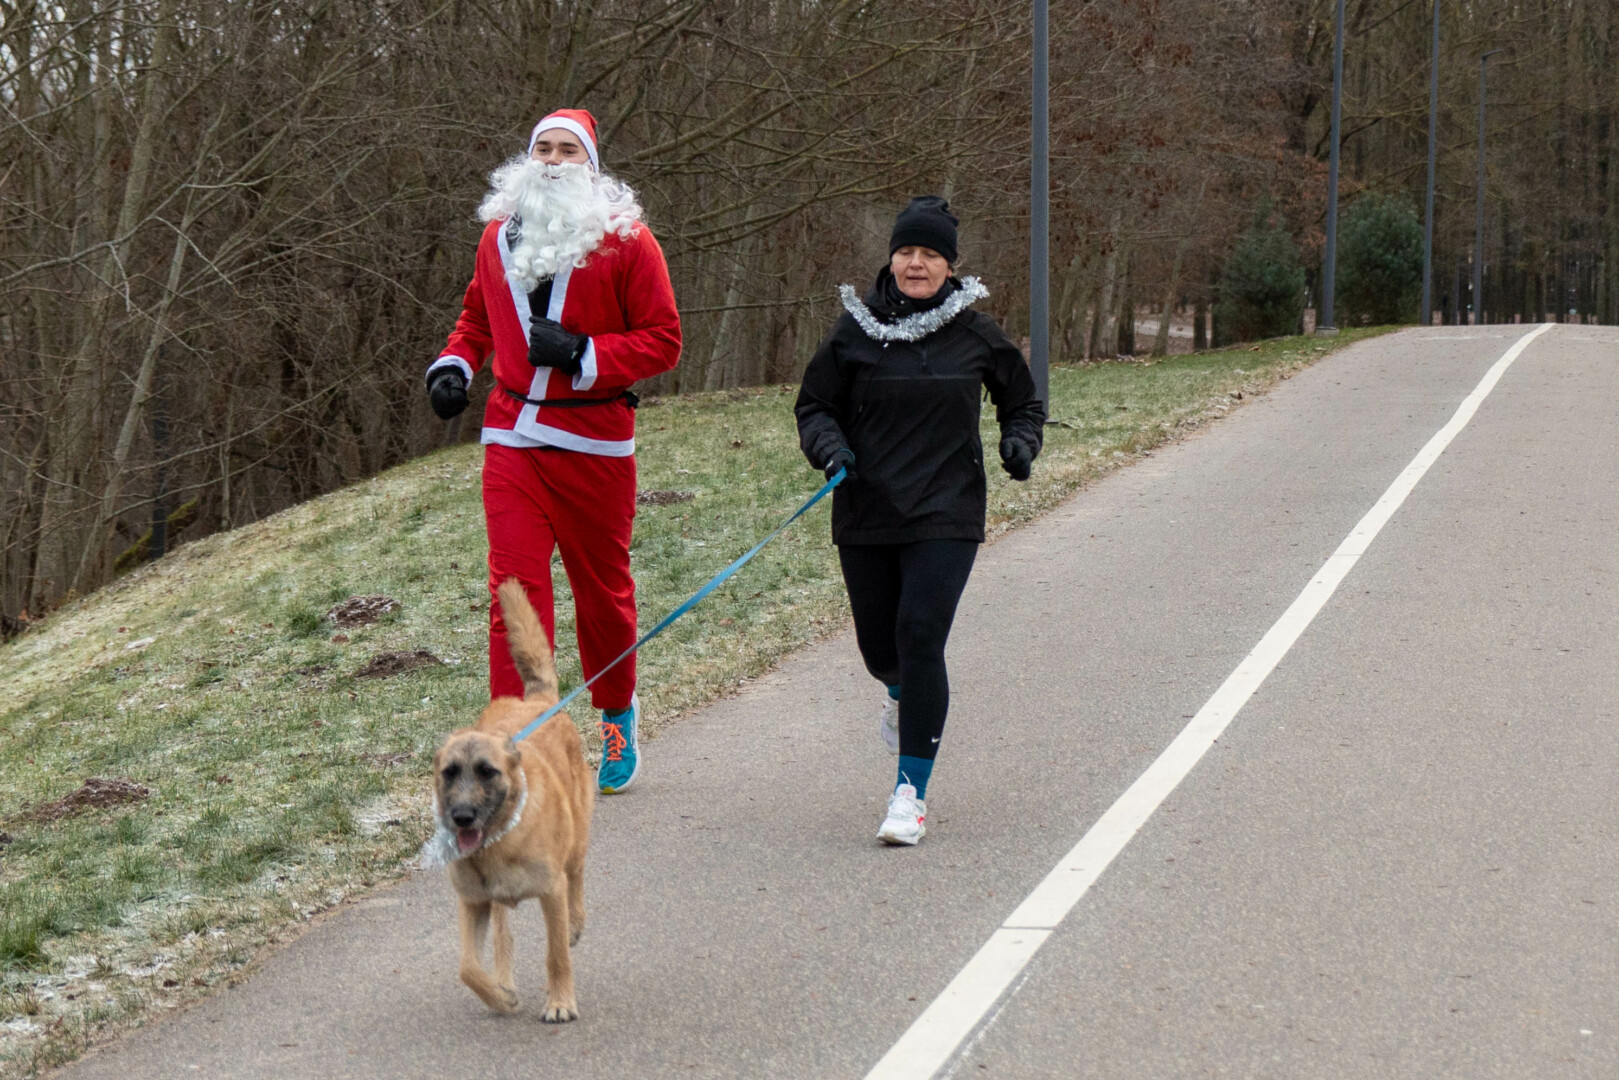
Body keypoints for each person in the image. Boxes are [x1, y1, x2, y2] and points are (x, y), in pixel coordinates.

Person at [427, 109, 681, 793]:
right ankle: (516, 739)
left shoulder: (627, 242)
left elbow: (663, 339)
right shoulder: (496, 236)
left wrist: (582, 353)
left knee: (602, 595)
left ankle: (616, 713)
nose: (553, 160)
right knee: (514, 592)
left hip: (594, 443)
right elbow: (476, 317)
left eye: (569, 151)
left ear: (590, 168)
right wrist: (454, 365)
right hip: (512, 436)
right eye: (543, 148)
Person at [794, 196, 1045, 845]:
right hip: (867, 505)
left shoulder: (975, 334)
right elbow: (814, 406)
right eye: (906, 251)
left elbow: (1022, 402)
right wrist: (830, 450)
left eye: (930, 254)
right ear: (891, 259)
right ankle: (898, 692)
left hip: (946, 507)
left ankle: (909, 794)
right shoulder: (853, 331)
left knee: (920, 634)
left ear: (949, 266)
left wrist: (1019, 442)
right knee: (882, 652)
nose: (915, 263)